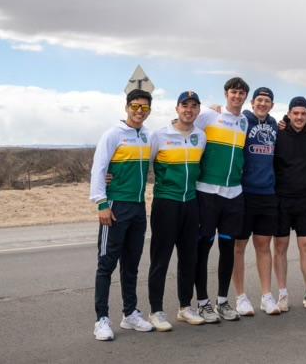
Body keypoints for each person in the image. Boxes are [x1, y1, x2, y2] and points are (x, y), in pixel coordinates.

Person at [89, 89, 155, 341]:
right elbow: (99, 169)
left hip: (138, 208)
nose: (139, 112)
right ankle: (101, 319)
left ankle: (130, 314)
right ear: (127, 107)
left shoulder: (148, 135)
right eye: (135, 107)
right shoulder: (114, 134)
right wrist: (102, 203)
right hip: (115, 206)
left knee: (131, 265)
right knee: (106, 264)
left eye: (145, 108)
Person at [146, 91, 207, 330]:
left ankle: (185, 307)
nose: (189, 110)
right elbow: (142, 164)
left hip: (191, 203)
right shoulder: (160, 135)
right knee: (160, 259)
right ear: (177, 108)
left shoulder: (200, 136)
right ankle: (156, 311)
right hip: (166, 203)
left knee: (188, 258)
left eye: (193, 106)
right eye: (185, 105)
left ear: (198, 110)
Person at [193, 77, 250, 322]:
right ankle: (203, 302)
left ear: (245, 96)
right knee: (203, 248)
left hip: (233, 194)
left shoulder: (245, 122)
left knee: (227, 248)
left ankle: (223, 301)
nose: (237, 96)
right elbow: (182, 127)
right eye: (233, 92)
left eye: (241, 93)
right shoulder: (208, 116)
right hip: (207, 193)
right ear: (226, 94)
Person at [273, 96, 306, 313]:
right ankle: (282, 295)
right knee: (281, 247)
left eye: (303, 114)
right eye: (296, 113)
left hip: (305, 199)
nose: (299, 117)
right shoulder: (278, 134)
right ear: (289, 113)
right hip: (281, 199)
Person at [234, 87, 282, 316]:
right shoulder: (241, 121)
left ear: (272, 105)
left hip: (267, 193)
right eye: (259, 100)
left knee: (263, 246)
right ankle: (241, 297)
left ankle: (266, 296)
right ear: (252, 102)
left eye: (267, 101)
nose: (263, 104)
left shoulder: (275, 125)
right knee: (239, 247)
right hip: (243, 193)